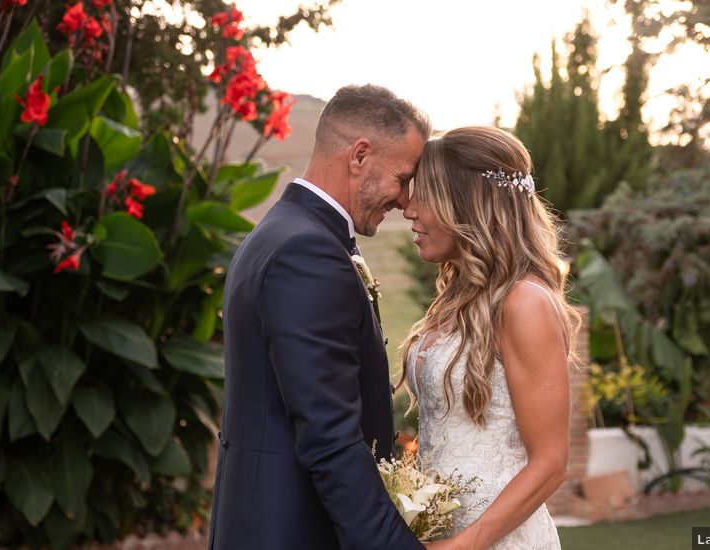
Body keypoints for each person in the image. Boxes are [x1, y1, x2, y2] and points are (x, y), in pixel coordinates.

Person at [207, 84, 430, 550]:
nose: (405, 201)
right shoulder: (308, 252)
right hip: (291, 530)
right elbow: (329, 438)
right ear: (360, 155)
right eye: (402, 178)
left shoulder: (279, 232)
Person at [400, 126, 580, 550]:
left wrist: (462, 546)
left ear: (466, 203)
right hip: (440, 531)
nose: (408, 209)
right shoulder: (457, 298)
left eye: (424, 194)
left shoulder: (525, 302)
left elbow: (551, 463)